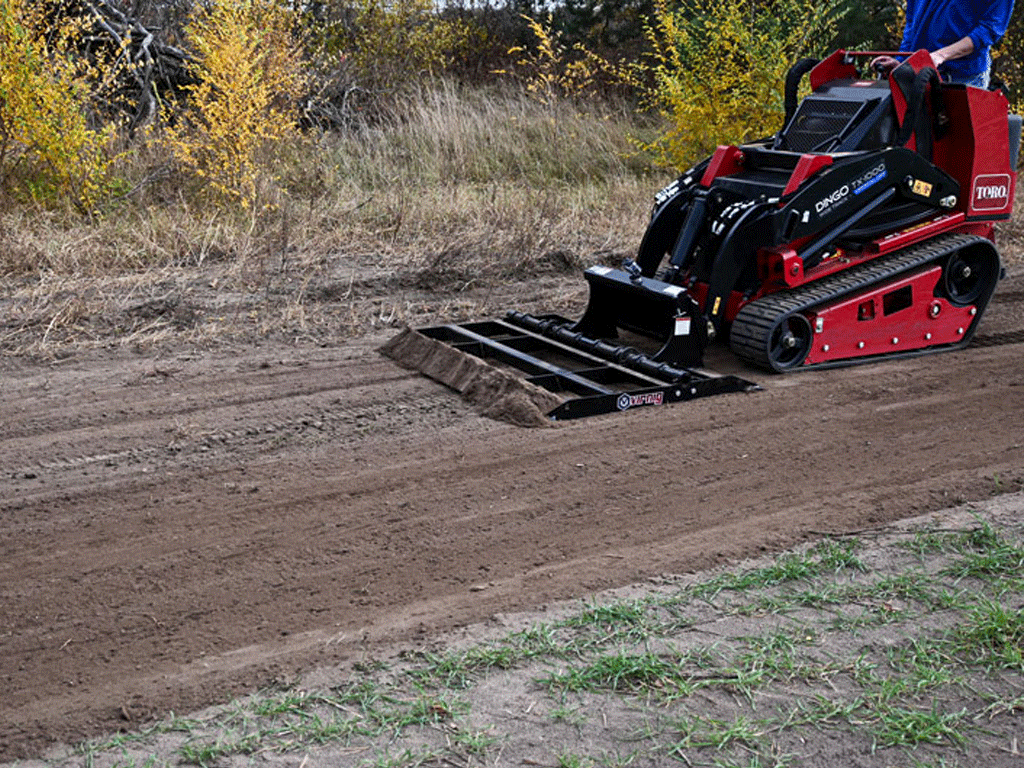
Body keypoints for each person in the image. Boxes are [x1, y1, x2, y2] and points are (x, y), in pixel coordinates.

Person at [871, 0, 1016, 88]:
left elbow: (988, 31)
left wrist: (941, 56)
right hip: (918, 73)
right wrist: (902, 62)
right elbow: (912, 22)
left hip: (964, 78)